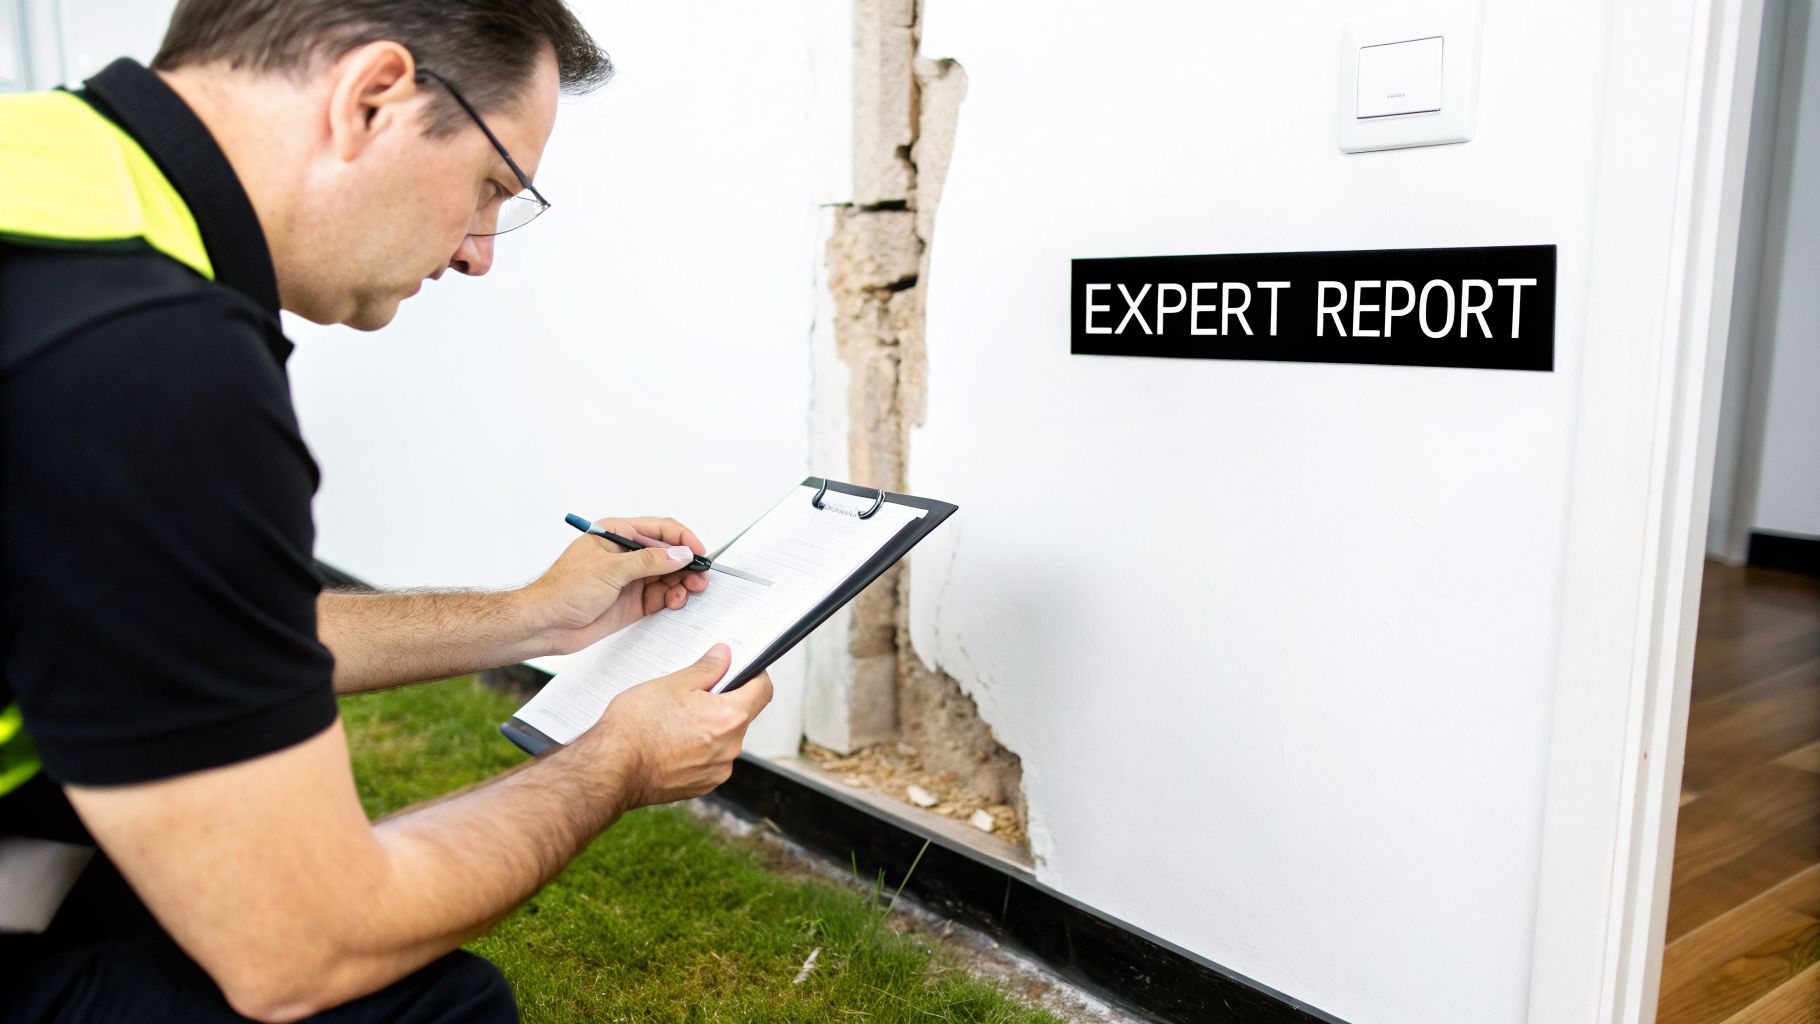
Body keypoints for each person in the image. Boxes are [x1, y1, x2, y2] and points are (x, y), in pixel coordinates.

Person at [0, 2, 774, 1020]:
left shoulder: (48, 168)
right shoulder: (146, 358)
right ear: (371, 98)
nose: (480, 253)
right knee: (418, 1006)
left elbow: (178, 632)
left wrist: (536, 614)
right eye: (494, 185)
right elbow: (303, 949)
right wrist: (617, 759)